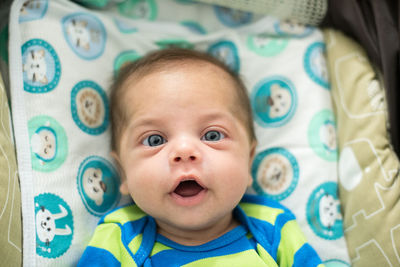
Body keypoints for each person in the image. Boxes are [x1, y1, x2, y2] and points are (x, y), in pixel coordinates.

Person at [78, 48, 323, 266]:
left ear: (248, 161)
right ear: (124, 173)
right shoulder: (121, 237)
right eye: (155, 140)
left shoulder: (271, 226)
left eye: (213, 135)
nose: (184, 151)